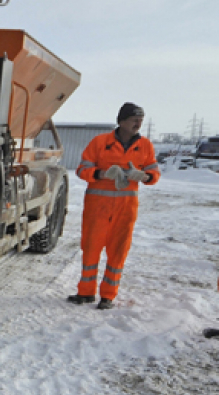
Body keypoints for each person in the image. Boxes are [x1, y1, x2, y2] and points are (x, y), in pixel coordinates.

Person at [68, 102, 160, 310]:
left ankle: (108, 296)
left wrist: (144, 176)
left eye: (140, 120)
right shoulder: (100, 142)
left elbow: (155, 174)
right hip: (97, 207)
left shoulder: (145, 146)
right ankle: (85, 293)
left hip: (125, 209)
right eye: (134, 119)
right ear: (121, 121)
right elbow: (82, 169)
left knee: (118, 251)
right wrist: (101, 174)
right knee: (91, 248)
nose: (138, 124)